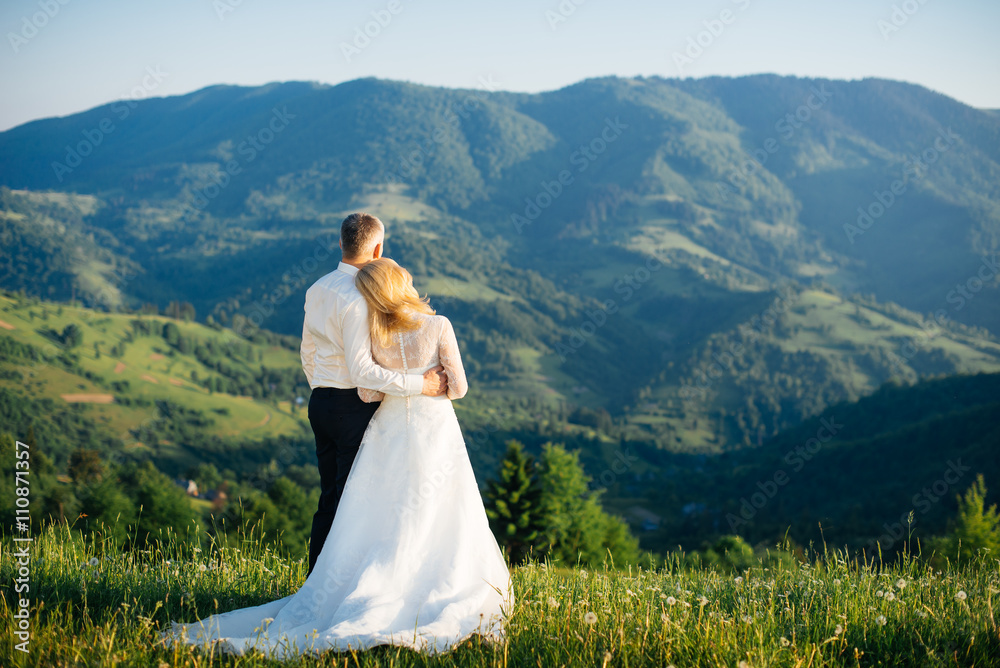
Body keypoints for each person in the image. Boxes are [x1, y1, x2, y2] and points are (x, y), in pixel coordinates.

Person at [161, 233, 511, 658]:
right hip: (432, 427)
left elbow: (362, 388)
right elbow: (459, 389)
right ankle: (418, 579)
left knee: (356, 504)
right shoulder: (439, 326)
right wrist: (425, 385)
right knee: (436, 505)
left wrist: (364, 391)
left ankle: (332, 583)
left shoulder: (367, 324)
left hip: (371, 423)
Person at [299, 212, 448, 575]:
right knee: (356, 503)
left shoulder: (317, 288)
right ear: (378, 248)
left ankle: (316, 580)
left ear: (340, 242)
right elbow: (364, 370)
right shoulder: (361, 296)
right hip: (353, 406)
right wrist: (421, 385)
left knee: (330, 499)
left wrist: (323, 389)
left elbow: (307, 352)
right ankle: (341, 585)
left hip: (320, 402)